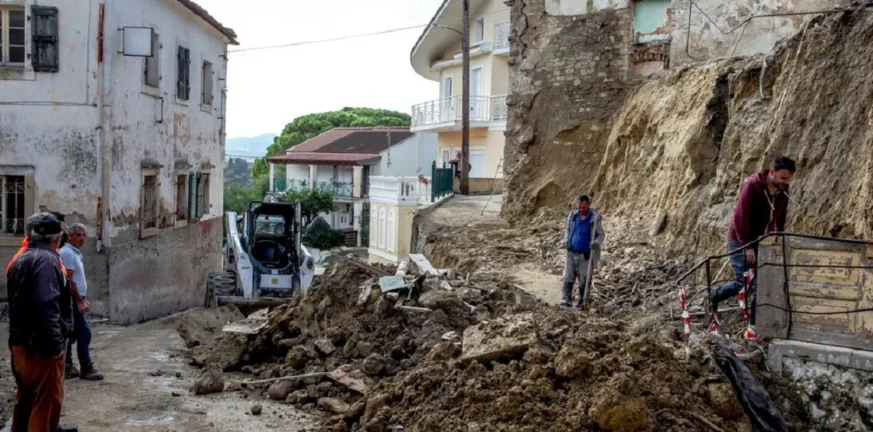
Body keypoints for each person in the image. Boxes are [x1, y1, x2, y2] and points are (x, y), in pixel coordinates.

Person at [709, 156, 796, 338]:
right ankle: (714, 296)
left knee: (761, 283)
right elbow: (740, 218)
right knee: (744, 282)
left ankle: (755, 325)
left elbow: (780, 218)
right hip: (742, 241)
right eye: (783, 178)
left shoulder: (782, 190)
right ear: (771, 173)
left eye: (788, 179)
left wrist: (777, 238)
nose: (786, 183)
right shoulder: (752, 187)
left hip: (763, 242)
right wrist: (746, 246)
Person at [6, 213, 72, 432]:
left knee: (25, 397)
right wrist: (55, 346)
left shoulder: (21, 257)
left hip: (20, 343)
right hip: (41, 346)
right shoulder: (48, 260)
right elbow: (46, 304)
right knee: (44, 402)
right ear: (59, 238)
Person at [60, 223, 103, 381]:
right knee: (84, 333)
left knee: (71, 334)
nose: (82, 238)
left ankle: (68, 367)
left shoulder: (74, 252)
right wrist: (79, 301)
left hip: (76, 298)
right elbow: (69, 281)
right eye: (78, 235)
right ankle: (86, 368)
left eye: (84, 235)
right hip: (72, 300)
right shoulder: (68, 253)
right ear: (69, 236)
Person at [561, 194, 605, 308]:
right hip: (571, 251)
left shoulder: (595, 218)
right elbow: (568, 229)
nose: (582, 210)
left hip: (586, 254)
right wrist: (566, 239)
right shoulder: (573, 215)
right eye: (580, 207)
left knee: (584, 279)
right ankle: (567, 299)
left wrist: (595, 242)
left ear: (589, 205)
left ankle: (582, 301)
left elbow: (601, 235)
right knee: (569, 276)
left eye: (584, 208)